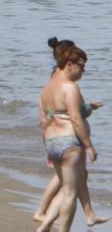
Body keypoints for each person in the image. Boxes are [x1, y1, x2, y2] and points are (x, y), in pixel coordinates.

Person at [37, 38, 106, 232]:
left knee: (68, 189)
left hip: (52, 141)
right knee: (69, 193)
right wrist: (89, 145)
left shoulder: (46, 89)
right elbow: (75, 118)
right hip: (69, 142)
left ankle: (45, 225)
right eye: (82, 67)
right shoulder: (69, 87)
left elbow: (43, 120)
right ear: (69, 65)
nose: (83, 71)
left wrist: (48, 146)